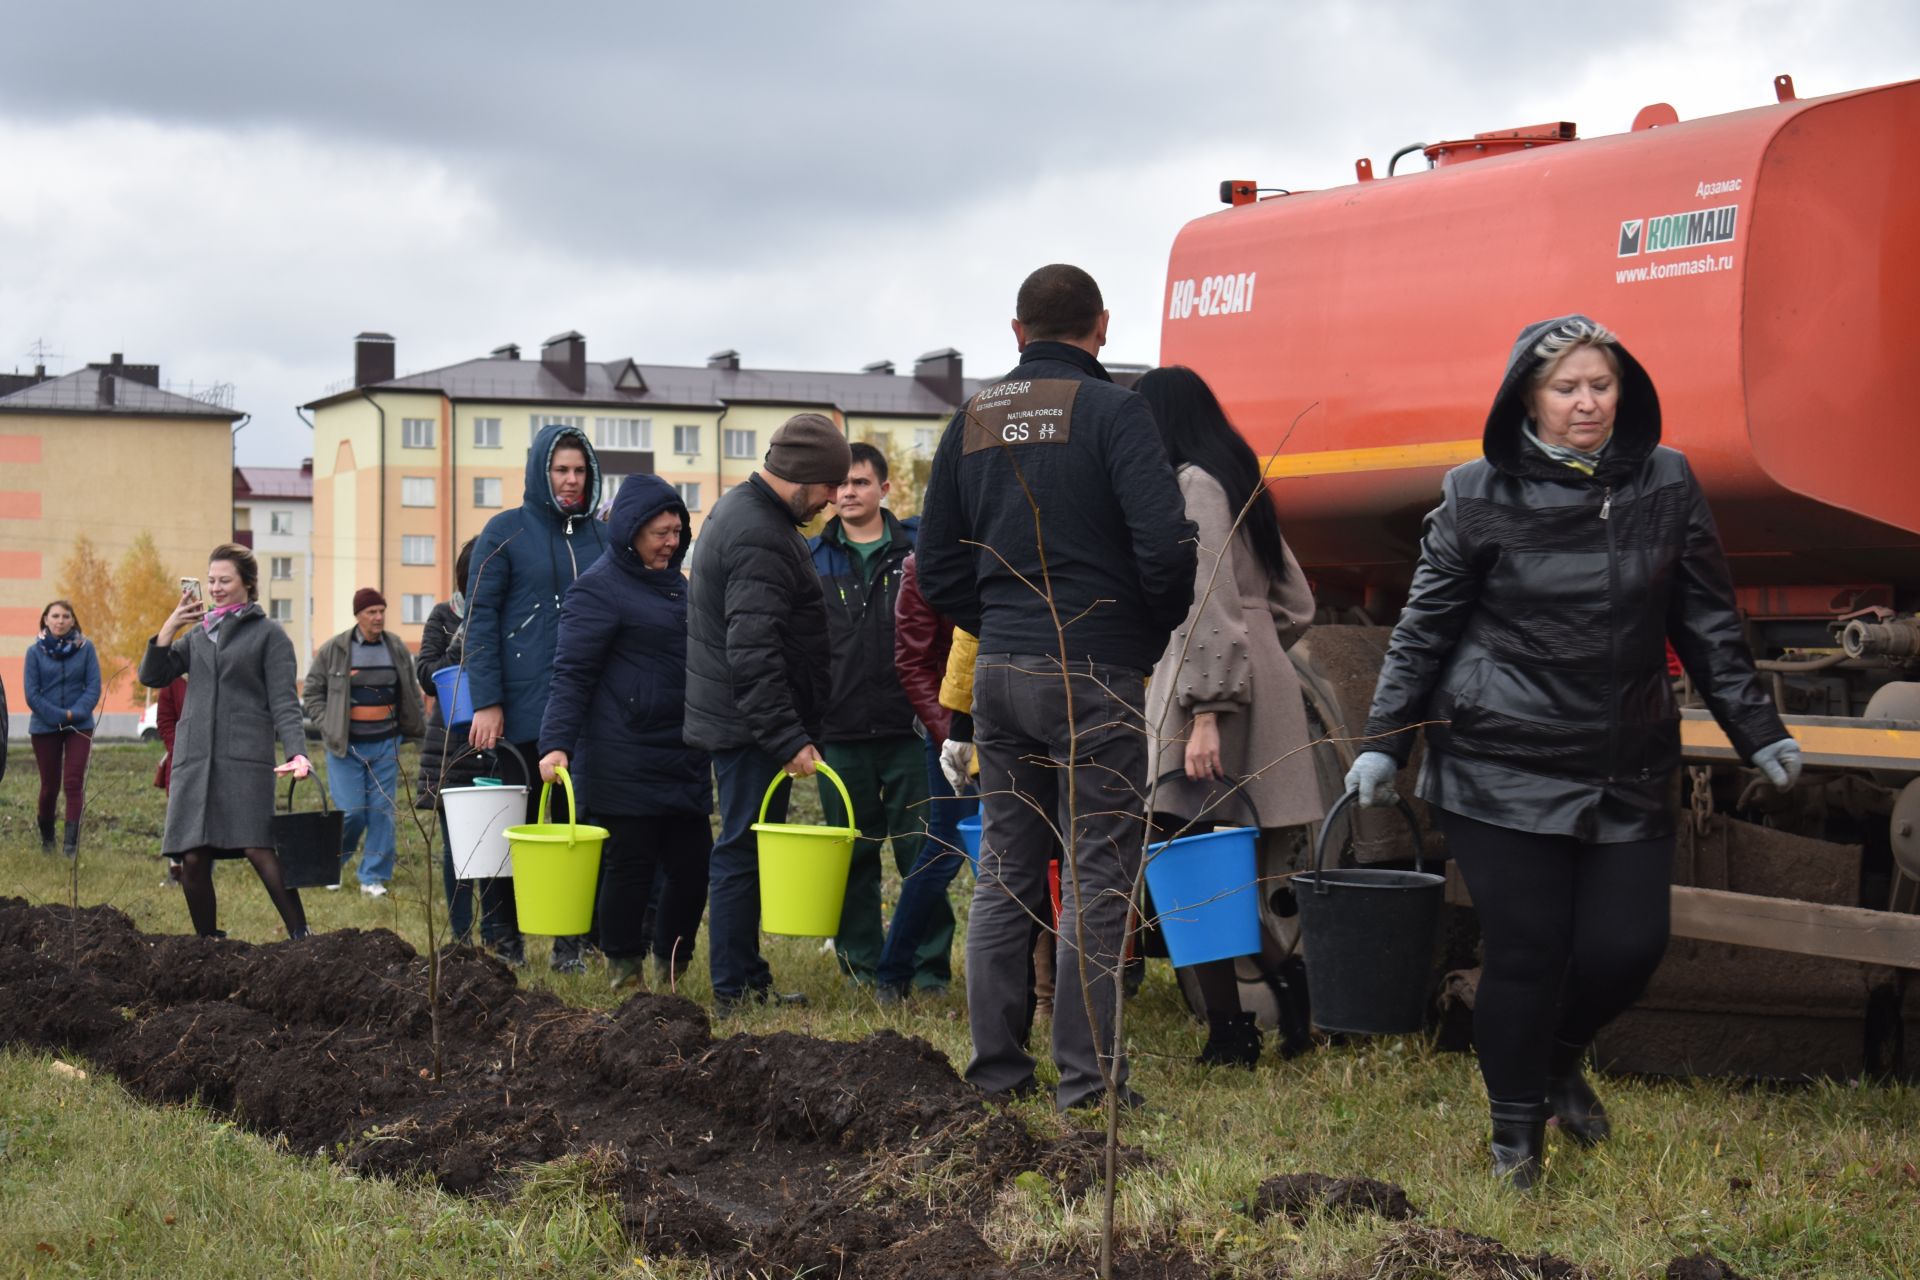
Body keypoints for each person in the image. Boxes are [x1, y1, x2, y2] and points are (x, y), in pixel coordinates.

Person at [1345, 315, 1799, 1188]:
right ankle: (1516, 1137)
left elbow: (1705, 619)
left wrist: (1759, 728)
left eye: (1601, 385)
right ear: (1528, 397)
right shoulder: (1475, 492)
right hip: (1498, 759)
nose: (1587, 403)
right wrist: (1381, 744)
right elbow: (1422, 631)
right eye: (1567, 389)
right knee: (1528, 949)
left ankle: (1556, 1061)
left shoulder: (1666, 481)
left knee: (1630, 945)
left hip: (1626, 756)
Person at [918, 263, 1197, 1111]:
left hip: (1001, 672)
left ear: (1015, 332)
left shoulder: (971, 420)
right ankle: (1090, 1084)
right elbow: (1168, 548)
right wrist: (1138, 636)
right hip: (1096, 668)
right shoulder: (1119, 413)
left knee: (1004, 870)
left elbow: (933, 569)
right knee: (1098, 876)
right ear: (1102, 327)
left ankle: (998, 1074)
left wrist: (1002, 621)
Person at [1136, 365, 1321, 1068]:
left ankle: (1234, 1030)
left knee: (1187, 861)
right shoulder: (1239, 481)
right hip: (1241, 685)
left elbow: (1201, 596)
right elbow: (1297, 604)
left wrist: (1209, 706)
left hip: (1205, 697)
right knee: (1208, 865)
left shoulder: (1192, 485)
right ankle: (1276, 999)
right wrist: (1260, 656)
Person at [684, 411, 850, 1012]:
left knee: (749, 847)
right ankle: (732, 990)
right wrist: (786, 736)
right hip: (750, 724)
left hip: (746, 720)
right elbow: (751, 652)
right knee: (740, 850)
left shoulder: (751, 514)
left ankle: (746, 976)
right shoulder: (758, 531)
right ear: (803, 476)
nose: (834, 498)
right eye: (830, 485)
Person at [539, 475, 711, 990]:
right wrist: (555, 743)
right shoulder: (598, 587)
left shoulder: (681, 586)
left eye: (678, 531)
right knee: (630, 868)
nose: (672, 542)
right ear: (632, 531)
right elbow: (571, 672)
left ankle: (673, 968)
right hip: (623, 752)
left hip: (682, 749)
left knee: (692, 865)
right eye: (661, 532)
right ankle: (624, 972)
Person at [465, 422, 608, 973]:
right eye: (561, 470)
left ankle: (571, 944)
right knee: (509, 828)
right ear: (539, 473)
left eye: (579, 471)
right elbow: (479, 622)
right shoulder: (504, 532)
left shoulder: (602, 538)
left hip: (583, 715)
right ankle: (505, 942)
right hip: (516, 711)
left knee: (573, 830)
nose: (571, 481)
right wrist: (487, 700)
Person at [806, 443, 948, 993]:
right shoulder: (814, 558)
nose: (847, 493)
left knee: (923, 851)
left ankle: (929, 967)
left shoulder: (919, 552)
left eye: (860, 483)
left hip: (911, 732)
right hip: (839, 733)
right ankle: (861, 966)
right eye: (840, 484)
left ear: (884, 490)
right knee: (853, 855)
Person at [139, 543, 315, 940]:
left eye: (225, 580)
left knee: (258, 847)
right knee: (193, 855)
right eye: (211, 580)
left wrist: (297, 752)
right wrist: (171, 626)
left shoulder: (270, 636)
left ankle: (302, 937)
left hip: (244, 759)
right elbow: (152, 675)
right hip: (195, 761)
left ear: (248, 585)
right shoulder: (198, 636)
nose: (215, 588)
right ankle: (208, 945)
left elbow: (285, 702)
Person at [873, 552, 976, 1003]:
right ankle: (892, 972)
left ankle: (1036, 985)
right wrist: (953, 737)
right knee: (946, 847)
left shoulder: (1010, 548)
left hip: (1017, 719)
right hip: (954, 731)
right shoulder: (924, 566)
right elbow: (913, 665)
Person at [416, 537, 515, 953]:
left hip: (498, 743)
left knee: (496, 845)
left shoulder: (511, 616)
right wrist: (460, 642)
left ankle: (497, 938)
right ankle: (460, 940)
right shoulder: (444, 615)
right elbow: (426, 674)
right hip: (452, 746)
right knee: (456, 847)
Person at [303, 587, 426, 896]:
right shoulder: (336, 649)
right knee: (352, 812)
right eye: (372, 612)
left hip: (386, 744)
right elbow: (312, 691)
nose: (378, 617)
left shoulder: (396, 646)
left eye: (382, 611)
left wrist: (415, 724)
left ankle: (373, 877)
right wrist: (327, 723)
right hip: (346, 747)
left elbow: (410, 690)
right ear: (358, 615)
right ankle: (331, 865)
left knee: (382, 812)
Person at [24, 599, 100, 857]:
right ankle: (48, 843)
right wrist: (59, 715)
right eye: (55, 616)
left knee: (73, 783)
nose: (60, 620)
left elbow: (93, 688)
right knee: (49, 786)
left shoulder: (86, 649)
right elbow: (32, 695)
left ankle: (70, 849)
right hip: (44, 726)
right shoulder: (34, 652)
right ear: (46, 619)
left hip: (79, 726)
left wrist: (73, 714)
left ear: (72, 620)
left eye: (65, 616)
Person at [153, 673, 188, 888]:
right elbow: (164, 720)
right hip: (181, 761)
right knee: (179, 815)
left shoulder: (217, 669)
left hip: (213, 759)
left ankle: (200, 871)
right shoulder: (173, 680)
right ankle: (175, 871)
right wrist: (180, 747)